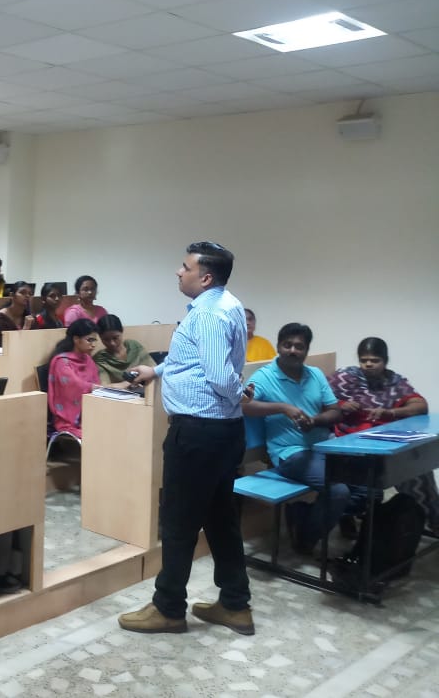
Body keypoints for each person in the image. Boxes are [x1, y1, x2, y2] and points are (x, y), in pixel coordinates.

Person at [119, 242, 253, 636]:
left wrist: (239, 394)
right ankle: (235, 604)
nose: (179, 272)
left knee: (178, 521)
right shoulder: (227, 304)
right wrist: (157, 371)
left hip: (198, 432)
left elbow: (220, 376)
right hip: (222, 432)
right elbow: (193, 359)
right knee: (220, 518)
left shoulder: (208, 315)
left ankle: (169, 608)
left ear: (205, 277)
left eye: (185, 267)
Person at [244, 323, 345, 555]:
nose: (292, 350)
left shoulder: (315, 374)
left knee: (365, 484)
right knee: (339, 490)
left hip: (323, 448)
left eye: (299, 346)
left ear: (306, 350)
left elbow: (335, 411)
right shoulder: (265, 376)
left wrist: (315, 421)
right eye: (287, 345)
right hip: (290, 453)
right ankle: (304, 540)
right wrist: (283, 407)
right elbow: (244, 406)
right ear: (278, 346)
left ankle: (301, 514)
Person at [329, 337, 438, 532]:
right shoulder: (344, 378)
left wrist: (391, 412)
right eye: (364, 360)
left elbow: (420, 405)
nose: (368, 364)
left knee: (419, 470)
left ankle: (432, 518)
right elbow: (318, 398)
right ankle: (349, 515)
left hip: (383, 440)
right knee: (372, 480)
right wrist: (341, 404)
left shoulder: (394, 381)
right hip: (350, 440)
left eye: (375, 360)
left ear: (385, 360)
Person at [47, 318, 101, 438]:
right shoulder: (62, 362)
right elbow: (77, 386)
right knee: (98, 435)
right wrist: (109, 387)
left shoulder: (88, 359)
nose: (93, 345)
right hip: (68, 420)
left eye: (95, 340)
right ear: (76, 339)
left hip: (90, 412)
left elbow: (96, 386)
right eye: (89, 340)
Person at [93, 314, 155, 387]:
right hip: (115, 394)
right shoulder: (100, 359)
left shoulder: (134, 346)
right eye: (106, 339)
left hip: (145, 390)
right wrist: (131, 383)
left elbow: (153, 369)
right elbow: (104, 387)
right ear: (100, 338)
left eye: (115, 338)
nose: (112, 343)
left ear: (122, 331)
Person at [0, 281, 34, 347]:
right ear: (11, 295)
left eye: (30, 294)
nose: (27, 296)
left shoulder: (29, 318)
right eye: (22, 293)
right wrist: (26, 329)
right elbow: (5, 345)